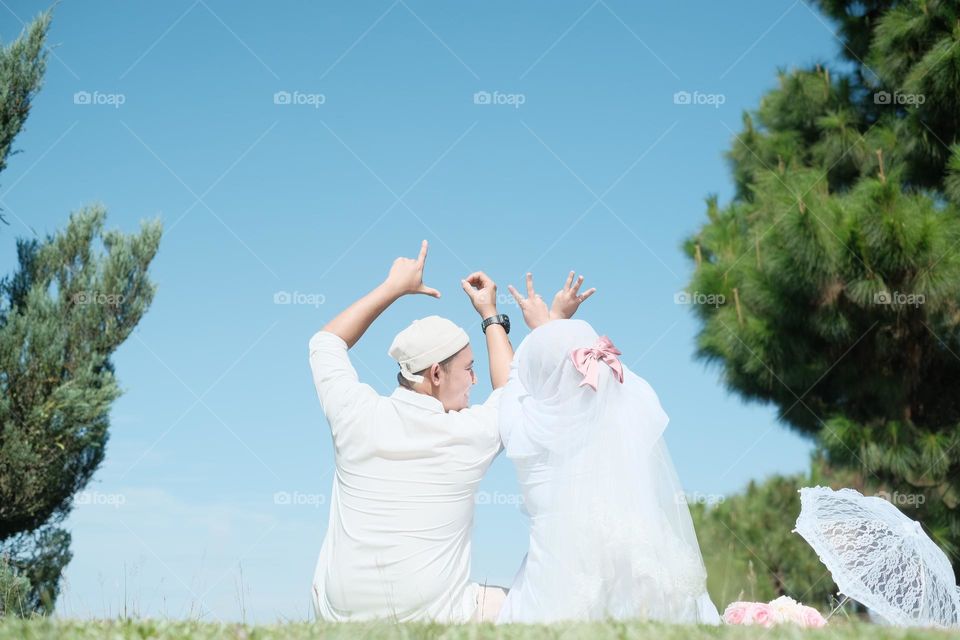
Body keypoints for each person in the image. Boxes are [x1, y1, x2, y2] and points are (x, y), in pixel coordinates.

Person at [308, 239, 515, 622]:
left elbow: (325, 342)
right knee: (516, 605)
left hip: (340, 616)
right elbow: (513, 392)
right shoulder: (466, 435)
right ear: (436, 374)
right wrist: (490, 315)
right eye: (469, 368)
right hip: (428, 620)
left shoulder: (356, 413)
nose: (475, 379)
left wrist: (393, 287)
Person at [495, 278, 721, 624]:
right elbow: (620, 380)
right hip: (648, 592)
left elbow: (511, 378)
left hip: (550, 597)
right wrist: (555, 324)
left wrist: (537, 326)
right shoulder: (625, 413)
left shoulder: (521, 429)